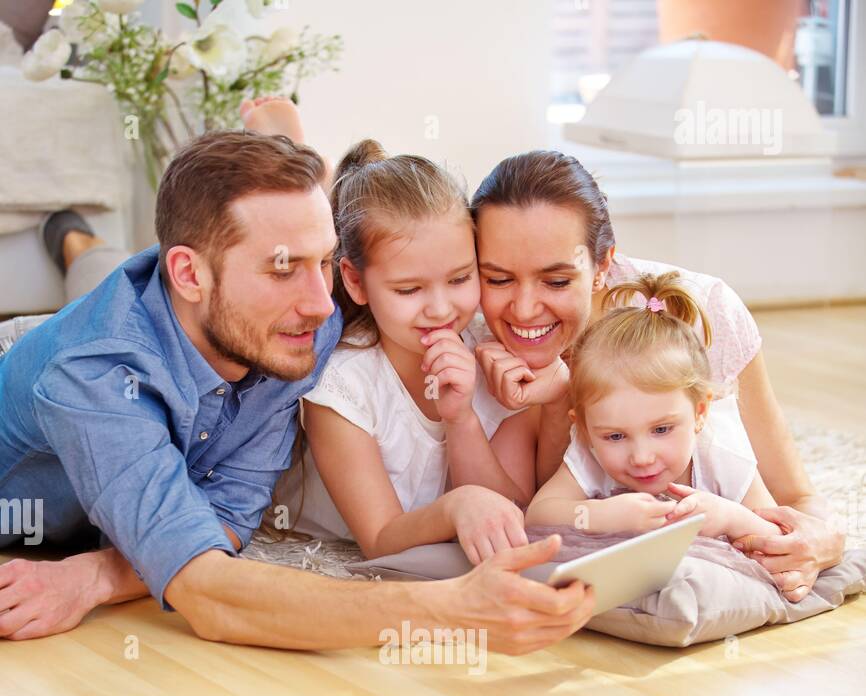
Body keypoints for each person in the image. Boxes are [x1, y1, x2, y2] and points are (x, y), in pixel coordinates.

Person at [0, 128, 593, 651]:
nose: (318, 307)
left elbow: (227, 517)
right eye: (282, 269)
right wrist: (453, 611)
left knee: (103, 271)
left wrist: (101, 574)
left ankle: (77, 244)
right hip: (35, 477)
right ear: (188, 273)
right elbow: (211, 594)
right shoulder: (96, 378)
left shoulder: (293, 328)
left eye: (325, 263)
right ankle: (80, 249)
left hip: (137, 426)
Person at [470, 151, 845, 602]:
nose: (525, 309)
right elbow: (533, 514)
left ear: (603, 264)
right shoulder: (461, 328)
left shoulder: (706, 314)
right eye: (498, 279)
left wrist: (823, 542)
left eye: (555, 281)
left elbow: (794, 498)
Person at [279, 139, 531, 565]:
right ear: (356, 282)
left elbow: (513, 516)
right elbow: (378, 539)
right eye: (409, 289)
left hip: (440, 563)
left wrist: (461, 418)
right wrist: (458, 506)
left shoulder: (492, 347)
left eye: (459, 278)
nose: (440, 308)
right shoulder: (342, 384)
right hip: (322, 550)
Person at [526, 270, 791, 559]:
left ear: (700, 412)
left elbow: (777, 535)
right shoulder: (590, 451)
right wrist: (599, 515)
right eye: (615, 436)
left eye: (662, 430)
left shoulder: (720, 454)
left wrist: (730, 517)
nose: (642, 457)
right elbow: (538, 515)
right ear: (585, 429)